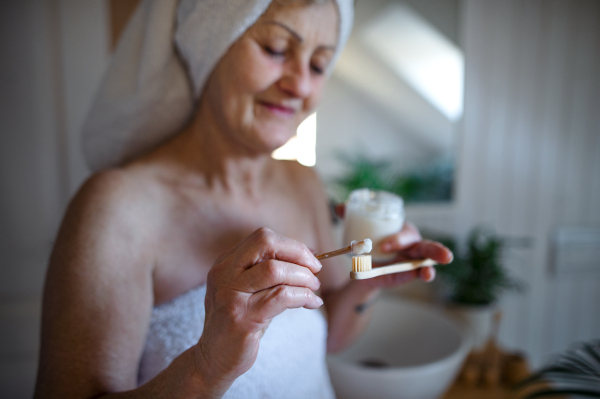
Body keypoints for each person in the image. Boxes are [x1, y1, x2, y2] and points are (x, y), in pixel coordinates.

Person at [34, 0, 453, 398]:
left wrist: (368, 285)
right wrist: (207, 367)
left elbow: (328, 339)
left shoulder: (304, 183)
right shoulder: (116, 208)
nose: (301, 84)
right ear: (209, 44)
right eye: (275, 49)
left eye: (319, 64)